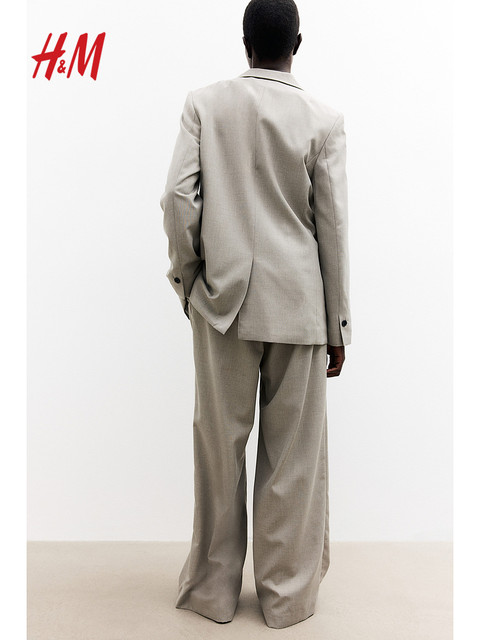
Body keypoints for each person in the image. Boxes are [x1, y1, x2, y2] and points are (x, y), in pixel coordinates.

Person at [160, 0, 352, 629]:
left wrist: (190, 280)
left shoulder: (204, 105)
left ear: (244, 42)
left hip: (223, 307)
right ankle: (286, 597)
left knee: (220, 452)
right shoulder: (324, 120)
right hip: (299, 308)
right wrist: (338, 324)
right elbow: (332, 228)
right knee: (292, 463)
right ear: (298, 42)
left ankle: (212, 593)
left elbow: (177, 197)